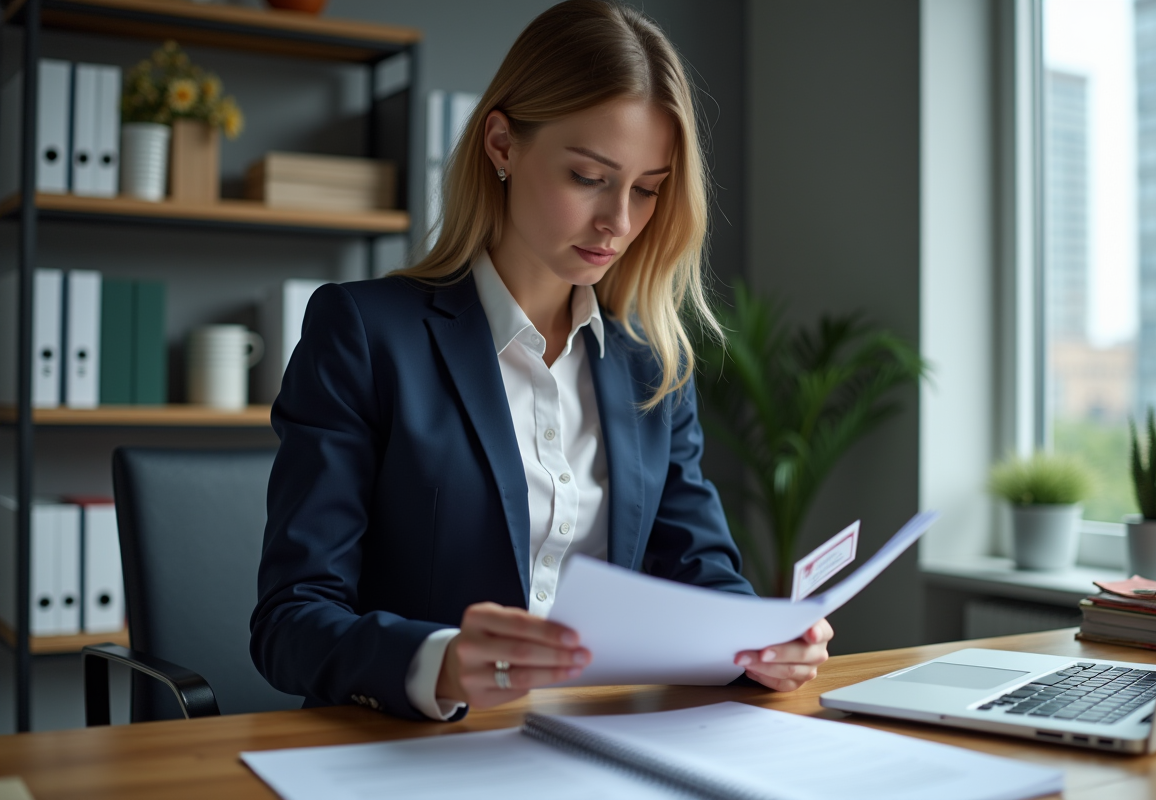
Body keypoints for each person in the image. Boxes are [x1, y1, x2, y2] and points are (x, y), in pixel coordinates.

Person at [250, 0, 833, 722]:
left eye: (648, 189)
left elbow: (701, 571)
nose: (619, 222)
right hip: (412, 754)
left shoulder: (648, 362)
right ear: (502, 143)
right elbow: (291, 621)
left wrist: (762, 642)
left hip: (600, 741)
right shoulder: (365, 333)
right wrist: (441, 660)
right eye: (590, 177)